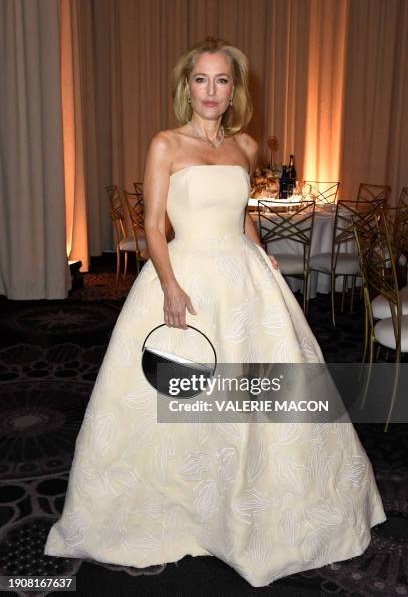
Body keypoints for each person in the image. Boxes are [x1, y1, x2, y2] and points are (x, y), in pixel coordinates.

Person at [44, 37, 386, 588]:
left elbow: (242, 211)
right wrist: (171, 287)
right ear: (187, 87)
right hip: (186, 278)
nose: (210, 90)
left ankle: (250, 506)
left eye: (221, 80)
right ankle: (178, 509)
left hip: (244, 280)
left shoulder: (245, 147)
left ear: (234, 91)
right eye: (200, 79)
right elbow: (154, 226)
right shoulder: (165, 144)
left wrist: (261, 250)